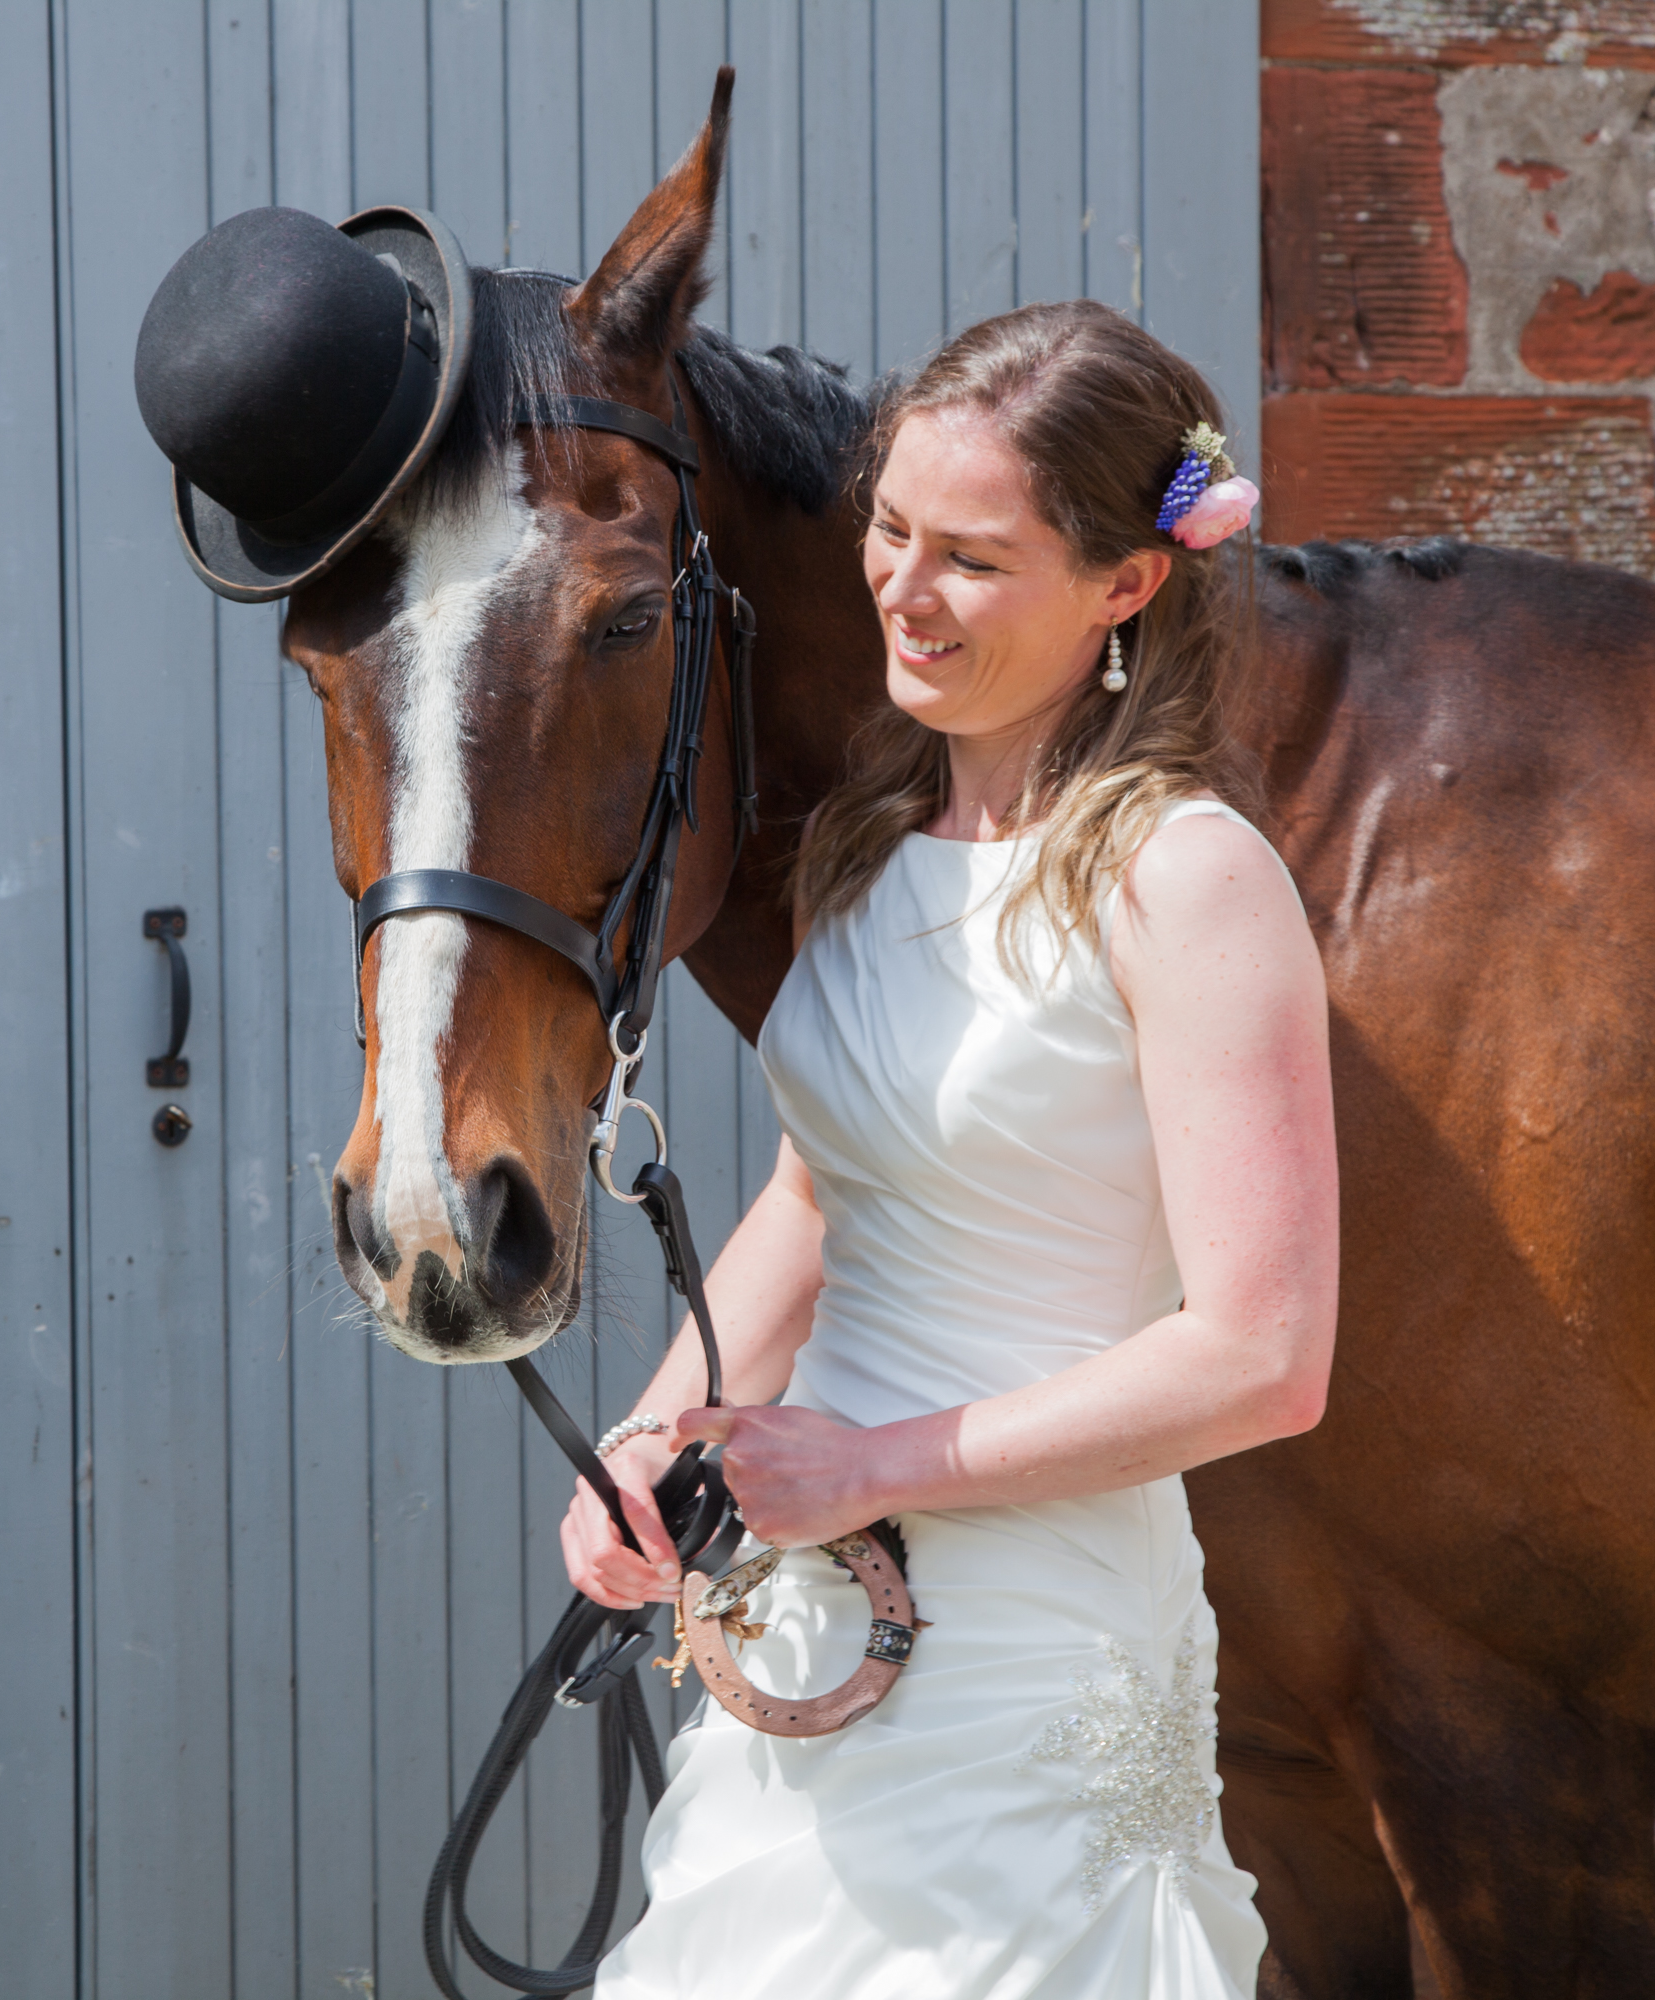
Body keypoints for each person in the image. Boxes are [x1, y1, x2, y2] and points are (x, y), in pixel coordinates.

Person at [567, 300, 1337, 1998]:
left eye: (972, 560)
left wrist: (871, 1471)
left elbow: (1265, 1358)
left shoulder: (1188, 879)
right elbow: (822, 1193)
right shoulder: (864, 844)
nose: (903, 590)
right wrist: (650, 1438)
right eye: (892, 530)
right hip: (808, 1620)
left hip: (1037, 1652)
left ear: (1125, 584)